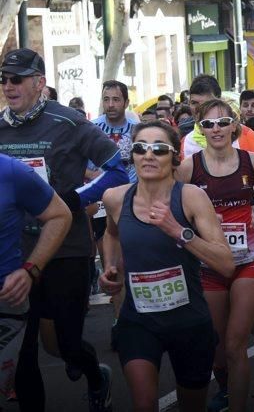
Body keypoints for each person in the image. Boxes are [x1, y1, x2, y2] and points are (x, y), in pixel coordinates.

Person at [0, 48, 128, 412]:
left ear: (40, 83)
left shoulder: (68, 121)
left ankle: (95, 374)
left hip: (67, 249)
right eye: (4, 79)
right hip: (15, 252)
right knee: (22, 350)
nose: (9, 86)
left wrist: (69, 201)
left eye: (17, 79)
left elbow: (115, 170)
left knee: (67, 346)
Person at [99, 121, 235, 412]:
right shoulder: (115, 198)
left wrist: (179, 232)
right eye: (140, 148)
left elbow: (225, 264)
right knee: (145, 404)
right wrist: (110, 268)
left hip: (188, 321)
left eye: (159, 149)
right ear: (132, 155)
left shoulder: (191, 197)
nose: (148, 155)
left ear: (173, 157)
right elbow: (110, 234)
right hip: (138, 321)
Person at [176, 100, 254, 412]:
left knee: (235, 345)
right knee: (217, 349)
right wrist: (198, 221)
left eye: (222, 123)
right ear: (200, 129)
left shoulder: (253, 161)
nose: (216, 129)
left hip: (248, 258)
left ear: (234, 125)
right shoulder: (189, 167)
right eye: (208, 124)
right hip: (208, 263)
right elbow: (177, 206)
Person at [0, 156, 72, 402]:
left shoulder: (10, 170)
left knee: (24, 371)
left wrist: (31, 269)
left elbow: (60, 215)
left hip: (6, 299)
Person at [92, 80, 139, 350]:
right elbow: (83, 167)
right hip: (102, 204)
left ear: (125, 102)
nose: (111, 105)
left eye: (116, 99)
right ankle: (121, 322)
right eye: (106, 99)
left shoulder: (137, 130)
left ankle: (134, 318)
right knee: (114, 265)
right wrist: (101, 179)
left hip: (134, 202)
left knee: (134, 263)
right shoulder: (93, 129)